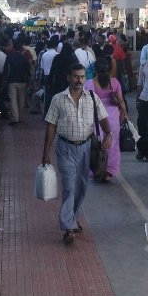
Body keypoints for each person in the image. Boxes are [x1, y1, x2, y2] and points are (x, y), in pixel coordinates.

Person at [42, 64, 113, 245]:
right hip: (65, 148)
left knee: (81, 186)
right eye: (75, 76)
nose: (79, 80)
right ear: (69, 78)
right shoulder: (58, 99)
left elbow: (103, 117)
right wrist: (45, 153)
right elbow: (51, 126)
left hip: (86, 148)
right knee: (69, 186)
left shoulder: (91, 97)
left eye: (82, 77)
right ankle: (68, 227)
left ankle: (72, 217)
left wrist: (109, 134)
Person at [85, 56, 128, 181]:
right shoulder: (115, 82)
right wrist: (124, 115)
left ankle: (95, 169)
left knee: (95, 145)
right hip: (113, 118)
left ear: (95, 70)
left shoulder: (89, 84)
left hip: (96, 119)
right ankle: (109, 172)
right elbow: (121, 101)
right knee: (113, 146)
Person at [4, 37, 31, 124]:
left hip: (12, 81)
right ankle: (20, 117)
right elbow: (28, 71)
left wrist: (5, 79)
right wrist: (28, 82)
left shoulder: (9, 56)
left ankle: (15, 118)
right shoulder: (24, 58)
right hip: (22, 81)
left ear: (13, 48)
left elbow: (5, 69)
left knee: (13, 100)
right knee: (21, 99)